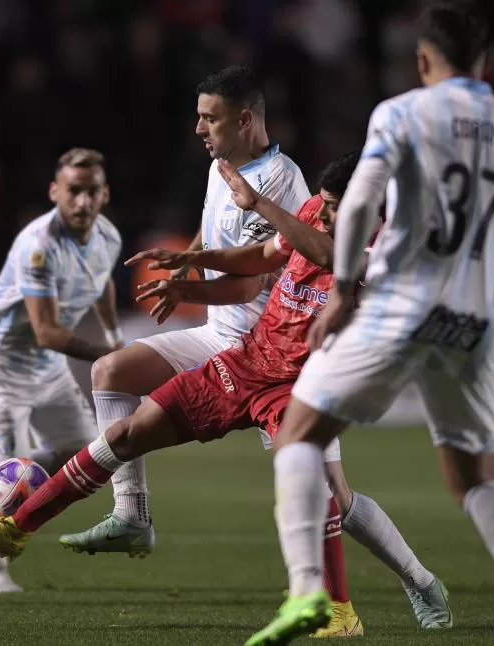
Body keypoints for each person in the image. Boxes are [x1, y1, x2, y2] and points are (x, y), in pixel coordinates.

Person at [0, 152, 452, 636]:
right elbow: (264, 255)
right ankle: (19, 526)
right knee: (126, 433)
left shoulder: (393, 248)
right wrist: (194, 260)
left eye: (339, 209)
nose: (325, 216)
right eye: (325, 205)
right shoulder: (315, 210)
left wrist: (259, 205)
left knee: (320, 491)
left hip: (306, 385)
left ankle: (358, 605)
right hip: (248, 361)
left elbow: (327, 255)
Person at [246, 3, 494, 646]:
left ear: (422, 60)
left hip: (402, 303)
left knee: (299, 434)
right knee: (474, 479)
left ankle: (308, 591)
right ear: (485, 64)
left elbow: (360, 200)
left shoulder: (402, 114)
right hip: (477, 324)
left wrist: (338, 295)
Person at [60, 65, 311, 560]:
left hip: (271, 354)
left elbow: (249, 286)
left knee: (329, 498)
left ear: (244, 120)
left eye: (209, 119)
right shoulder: (222, 164)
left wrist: (185, 290)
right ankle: (130, 515)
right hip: (219, 335)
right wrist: (184, 269)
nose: (198, 129)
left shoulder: (280, 185)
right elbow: (209, 235)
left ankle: (418, 580)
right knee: (111, 371)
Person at [0, 148, 123, 593]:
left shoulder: (109, 237)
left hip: (50, 371)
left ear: (105, 194)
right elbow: (46, 332)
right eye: (73, 191)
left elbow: (102, 281)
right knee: (7, 484)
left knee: (84, 455)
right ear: (54, 192)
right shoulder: (38, 246)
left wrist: (115, 333)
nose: (82, 202)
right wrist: (107, 355)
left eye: (91, 191)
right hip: (0, 367)